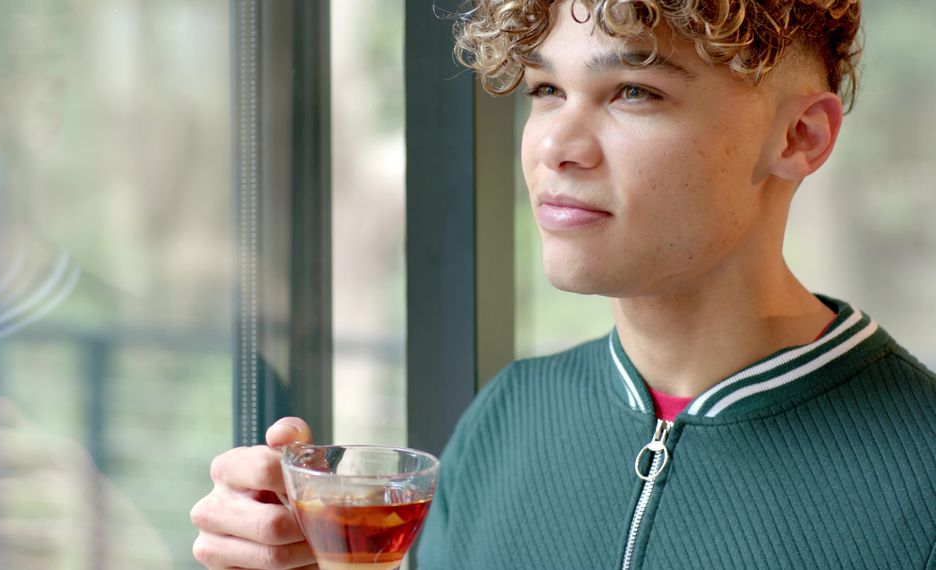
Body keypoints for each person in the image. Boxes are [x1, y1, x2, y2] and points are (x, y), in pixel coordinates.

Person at [190, 0, 936, 568]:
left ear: (800, 137)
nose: (554, 146)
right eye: (546, 89)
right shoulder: (506, 419)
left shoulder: (921, 472)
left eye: (633, 92)